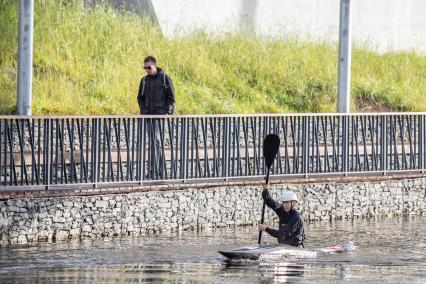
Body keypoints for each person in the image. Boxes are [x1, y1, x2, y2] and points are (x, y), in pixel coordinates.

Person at [137, 56, 175, 179]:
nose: (147, 70)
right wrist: (143, 111)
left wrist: (166, 113)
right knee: (153, 143)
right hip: (148, 116)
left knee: (157, 142)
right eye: (145, 68)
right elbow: (140, 97)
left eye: (149, 67)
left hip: (159, 116)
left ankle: (157, 171)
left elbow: (171, 98)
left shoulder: (165, 78)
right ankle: (156, 171)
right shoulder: (144, 80)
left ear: (155, 65)